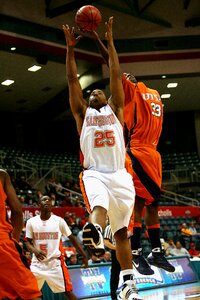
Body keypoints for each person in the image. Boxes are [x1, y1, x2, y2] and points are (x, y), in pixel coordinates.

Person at [63, 17, 142, 300]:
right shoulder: (82, 115)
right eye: (90, 92)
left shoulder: (116, 108)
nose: (94, 91)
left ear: (106, 97)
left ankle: (128, 286)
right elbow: (72, 79)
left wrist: (108, 41)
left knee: (122, 233)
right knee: (97, 204)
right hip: (95, 172)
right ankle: (94, 229)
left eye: (98, 90)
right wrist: (70, 49)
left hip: (121, 176)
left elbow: (115, 71)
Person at [90, 30, 175, 275]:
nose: (121, 77)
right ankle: (137, 250)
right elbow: (113, 66)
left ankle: (156, 251)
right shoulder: (151, 94)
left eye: (124, 77)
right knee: (139, 202)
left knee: (153, 204)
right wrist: (99, 39)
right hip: (139, 151)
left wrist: (101, 40)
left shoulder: (144, 92)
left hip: (149, 152)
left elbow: (114, 67)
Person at [25, 195, 88, 300]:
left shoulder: (59, 221)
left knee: (68, 293)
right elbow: (27, 242)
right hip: (37, 264)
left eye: (49, 199)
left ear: (52, 205)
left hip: (55, 264)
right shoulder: (31, 222)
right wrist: (34, 250)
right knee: (30, 294)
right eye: (43, 199)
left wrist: (84, 255)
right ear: (39, 205)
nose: (47, 201)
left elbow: (72, 239)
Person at [0, 169, 41, 300]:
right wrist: (15, 241)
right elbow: (17, 211)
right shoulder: (2, 175)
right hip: (3, 244)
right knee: (30, 294)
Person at [104, 223, 121, 300]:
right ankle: (113, 295)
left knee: (128, 272)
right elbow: (106, 242)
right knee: (115, 274)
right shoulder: (109, 227)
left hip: (127, 250)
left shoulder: (125, 225)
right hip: (116, 251)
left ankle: (128, 292)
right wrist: (116, 248)